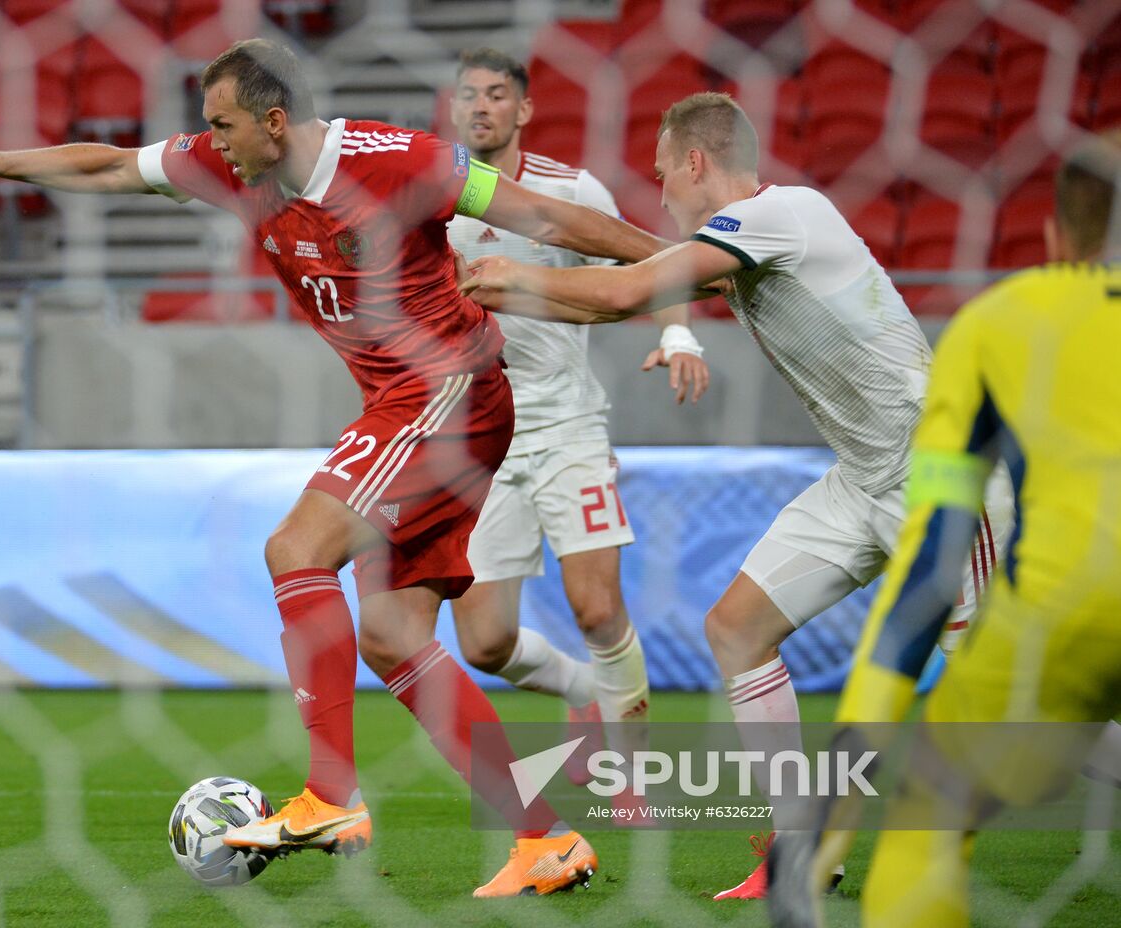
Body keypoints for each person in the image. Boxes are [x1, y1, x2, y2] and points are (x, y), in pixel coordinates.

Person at [0, 38, 674, 897]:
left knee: (294, 550)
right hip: (404, 404)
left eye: (225, 125)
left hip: (449, 392)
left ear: (275, 123)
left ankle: (332, 795)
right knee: (395, 639)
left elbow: (543, 216)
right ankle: (545, 841)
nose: (211, 142)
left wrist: (681, 264)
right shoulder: (232, 165)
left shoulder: (402, 162)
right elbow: (108, 169)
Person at [460, 90, 1011, 898]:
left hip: (936, 479)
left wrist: (517, 279)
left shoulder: (786, 212)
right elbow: (637, 279)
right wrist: (507, 264)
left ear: (695, 163)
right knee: (736, 629)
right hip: (862, 481)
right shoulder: (744, 243)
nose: (660, 195)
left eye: (661, 175)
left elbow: (625, 291)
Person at [767, 130, 1121, 928]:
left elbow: (933, 561)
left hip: (1065, 610)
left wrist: (835, 802)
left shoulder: (998, 324)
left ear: (1054, 238)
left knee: (927, 819)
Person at [445, 48, 709, 769]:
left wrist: (679, 332)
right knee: (484, 644)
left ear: (524, 110)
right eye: (468, 94)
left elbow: (648, 264)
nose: (480, 106)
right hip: (475, 444)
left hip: (566, 426)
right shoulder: (429, 197)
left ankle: (632, 771)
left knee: (596, 609)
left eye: (497, 94)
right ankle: (587, 694)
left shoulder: (572, 192)